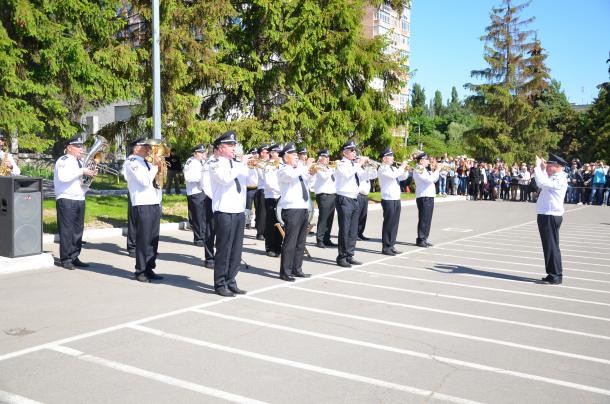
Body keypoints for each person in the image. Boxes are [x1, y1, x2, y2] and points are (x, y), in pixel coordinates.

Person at [208, 130, 253, 297]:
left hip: (238, 211)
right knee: (224, 249)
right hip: (224, 212)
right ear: (220, 148)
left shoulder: (236, 165)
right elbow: (225, 179)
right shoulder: (215, 164)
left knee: (236, 250)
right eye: (230, 145)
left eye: (234, 145)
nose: (234, 148)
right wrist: (241, 164)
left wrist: (252, 167)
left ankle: (231, 280)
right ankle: (220, 283)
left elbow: (252, 182)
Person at [53, 135, 96, 269]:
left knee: (78, 231)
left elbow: (83, 183)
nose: (80, 149)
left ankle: (74, 256)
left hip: (79, 198)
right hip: (66, 198)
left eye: (81, 146)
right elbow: (64, 177)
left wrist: (90, 176)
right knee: (67, 231)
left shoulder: (80, 162)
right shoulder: (64, 160)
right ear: (69, 148)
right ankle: (65, 259)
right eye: (77, 147)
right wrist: (82, 171)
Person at [124, 138, 163, 282]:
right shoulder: (132, 162)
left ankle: (149, 268)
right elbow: (144, 181)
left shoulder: (145, 162)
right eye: (145, 146)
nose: (149, 148)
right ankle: (140, 270)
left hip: (152, 202)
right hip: (141, 204)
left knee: (153, 239)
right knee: (143, 239)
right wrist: (155, 167)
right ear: (136, 148)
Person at [277, 142, 314, 281]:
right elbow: (293, 176)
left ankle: (297, 268)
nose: (296, 156)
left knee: (301, 242)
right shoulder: (283, 170)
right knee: (290, 241)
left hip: (303, 207)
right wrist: (306, 166)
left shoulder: (299, 171)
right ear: (286, 158)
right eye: (293, 154)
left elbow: (309, 185)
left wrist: (311, 174)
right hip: (291, 209)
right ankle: (285, 272)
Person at [534, 153, 568, 285]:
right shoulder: (554, 176)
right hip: (547, 214)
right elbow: (543, 180)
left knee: (552, 246)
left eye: (549, 165)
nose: (547, 166)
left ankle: (556, 275)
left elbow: (541, 182)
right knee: (549, 246)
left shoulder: (559, 179)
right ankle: (552, 273)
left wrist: (538, 167)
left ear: (557, 166)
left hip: (550, 215)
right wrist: (542, 169)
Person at [334, 140, 368, 267]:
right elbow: (347, 174)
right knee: (345, 229)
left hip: (354, 198)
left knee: (353, 230)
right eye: (352, 150)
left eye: (355, 150)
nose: (354, 153)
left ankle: (350, 254)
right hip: (344, 198)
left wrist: (369, 167)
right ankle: (341, 257)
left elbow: (366, 177)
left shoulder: (355, 165)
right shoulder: (340, 163)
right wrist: (359, 163)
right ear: (345, 152)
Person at [378, 148, 409, 255]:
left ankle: (391, 245)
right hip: (388, 198)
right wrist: (402, 167)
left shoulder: (392, 168)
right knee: (388, 223)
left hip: (396, 198)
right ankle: (386, 247)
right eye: (391, 156)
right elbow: (393, 176)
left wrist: (405, 170)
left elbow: (402, 177)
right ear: (385, 158)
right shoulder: (383, 168)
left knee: (395, 224)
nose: (393, 158)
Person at [413, 153, 440, 248]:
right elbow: (428, 180)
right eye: (426, 159)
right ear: (421, 161)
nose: (428, 161)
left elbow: (434, 179)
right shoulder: (419, 168)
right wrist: (437, 170)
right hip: (424, 196)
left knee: (428, 218)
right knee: (424, 218)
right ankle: (421, 239)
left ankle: (424, 238)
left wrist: (435, 171)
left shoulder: (425, 169)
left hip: (428, 196)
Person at [183, 144, 208, 247]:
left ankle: (204, 236)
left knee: (203, 217)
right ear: (195, 153)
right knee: (196, 217)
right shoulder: (190, 162)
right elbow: (188, 178)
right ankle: (198, 238)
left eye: (203, 152)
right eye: (200, 153)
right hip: (194, 193)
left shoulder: (201, 162)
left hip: (202, 192)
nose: (203, 154)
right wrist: (201, 179)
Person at [312, 148, 337, 248]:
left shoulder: (328, 168)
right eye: (325, 156)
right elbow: (324, 177)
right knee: (323, 218)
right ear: (320, 157)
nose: (328, 158)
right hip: (323, 195)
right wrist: (332, 169)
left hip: (332, 194)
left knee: (330, 218)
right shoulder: (318, 166)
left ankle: (327, 238)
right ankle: (320, 239)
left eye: (328, 157)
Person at [356, 155, 377, 241]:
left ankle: (360, 233)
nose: (365, 162)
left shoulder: (364, 169)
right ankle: (355, 233)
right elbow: (363, 175)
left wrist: (373, 167)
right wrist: (361, 162)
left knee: (363, 216)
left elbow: (374, 176)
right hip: (358, 195)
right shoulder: (357, 169)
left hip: (365, 196)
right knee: (357, 216)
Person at [253, 144, 269, 240]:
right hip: (262, 189)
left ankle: (267, 231)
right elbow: (263, 177)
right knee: (262, 212)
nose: (268, 154)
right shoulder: (258, 163)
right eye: (266, 152)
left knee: (268, 212)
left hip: (270, 190)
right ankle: (260, 232)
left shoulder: (269, 162)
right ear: (261, 153)